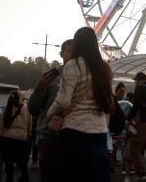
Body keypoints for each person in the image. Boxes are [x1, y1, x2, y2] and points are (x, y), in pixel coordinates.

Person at [47, 26, 114, 182]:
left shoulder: (73, 65)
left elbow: (63, 101)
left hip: (75, 130)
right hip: (99, 131)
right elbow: (107, 101)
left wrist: (50, 113)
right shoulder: (105, 68)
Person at [27, 39, 74, 182]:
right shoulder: (52, 77)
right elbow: (32, 108)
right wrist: (39, 88)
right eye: (69, 51)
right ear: (62, 54)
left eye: (76, 53)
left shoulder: (86, 78)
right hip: (50, 136)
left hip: (74, 137)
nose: (72, 56)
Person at [0, 91, 31, 182]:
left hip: (7, 138)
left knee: (8, 162)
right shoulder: (26, 108)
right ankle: (25, 178)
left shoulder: (7, 109)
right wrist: (28, 133)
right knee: (22, 161)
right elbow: (29, 124)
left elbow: (0, 127)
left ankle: (9, 179)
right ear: (19, 98)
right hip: (21, 138)